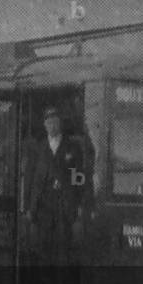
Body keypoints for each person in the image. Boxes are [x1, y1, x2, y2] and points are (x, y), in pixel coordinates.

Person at [22, 106, 91, 266]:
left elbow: (78, 177)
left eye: (55, 122)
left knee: (62, 252)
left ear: (60, 124)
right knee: (43, 252)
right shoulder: (37, 149)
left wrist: (79, 202)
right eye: (49, 122)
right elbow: (29, 180)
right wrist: (27, 207)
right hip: (42, 208)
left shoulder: (72, 148)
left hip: (64, 207)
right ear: (44, 125)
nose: (52, 126)